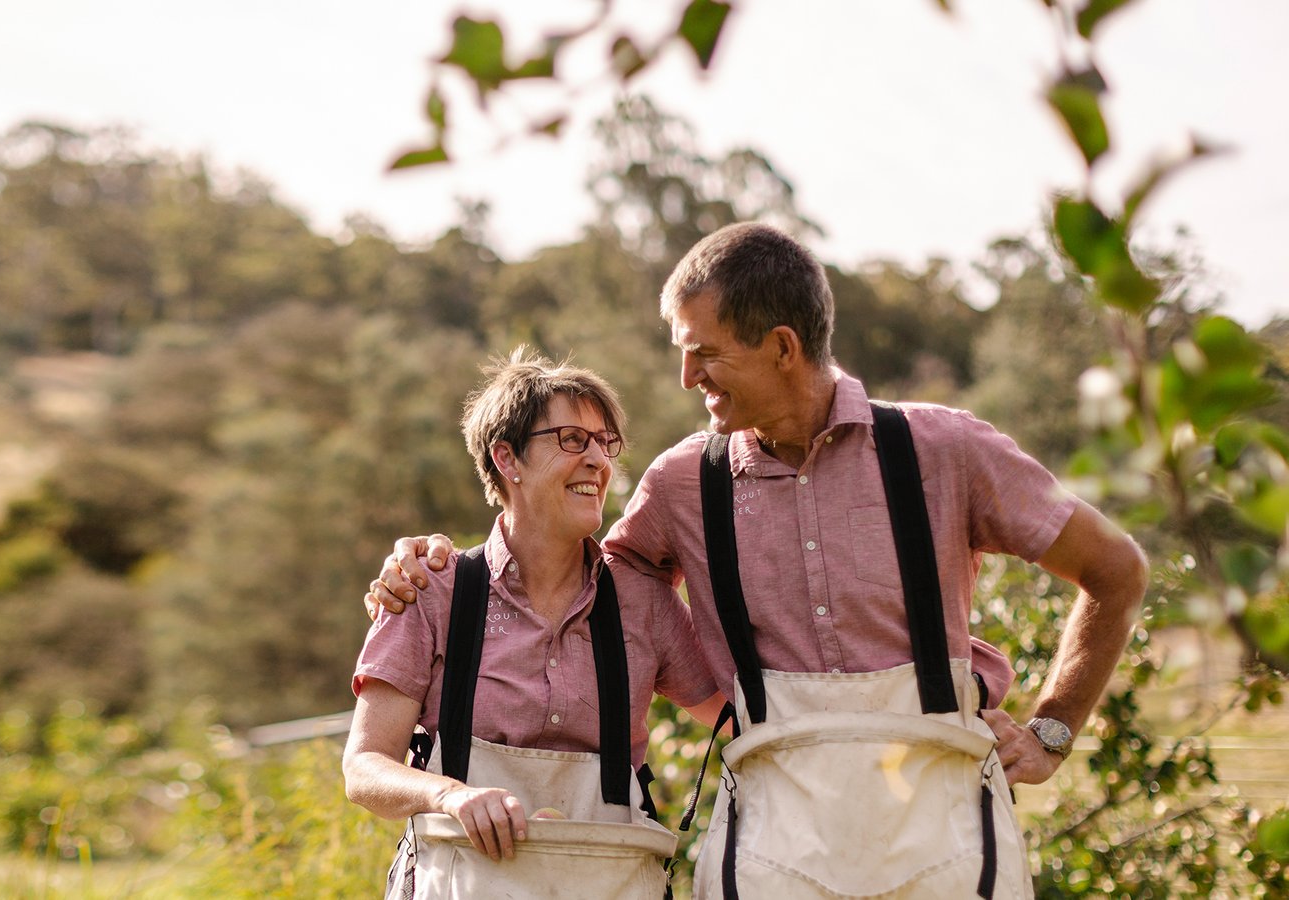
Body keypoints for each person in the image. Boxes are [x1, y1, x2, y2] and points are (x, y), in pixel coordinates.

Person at [365, 223, 1147, 896]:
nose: (686, 378)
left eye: (704, 353)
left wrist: (1051, 732)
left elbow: (1117, 572)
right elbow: (567, 574)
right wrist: (435, 564)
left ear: (781, 347)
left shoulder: (946, 450)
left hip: (948, 839)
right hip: (776, 850)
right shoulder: (681, 485)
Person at [342, 348, 720, 879]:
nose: (598, 460)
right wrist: (449, 796)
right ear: (507, 459)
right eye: (571, 439)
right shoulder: (430, 589)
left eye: (604, 443)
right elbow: (364, 769)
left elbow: (737, 715)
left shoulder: (644, 602)